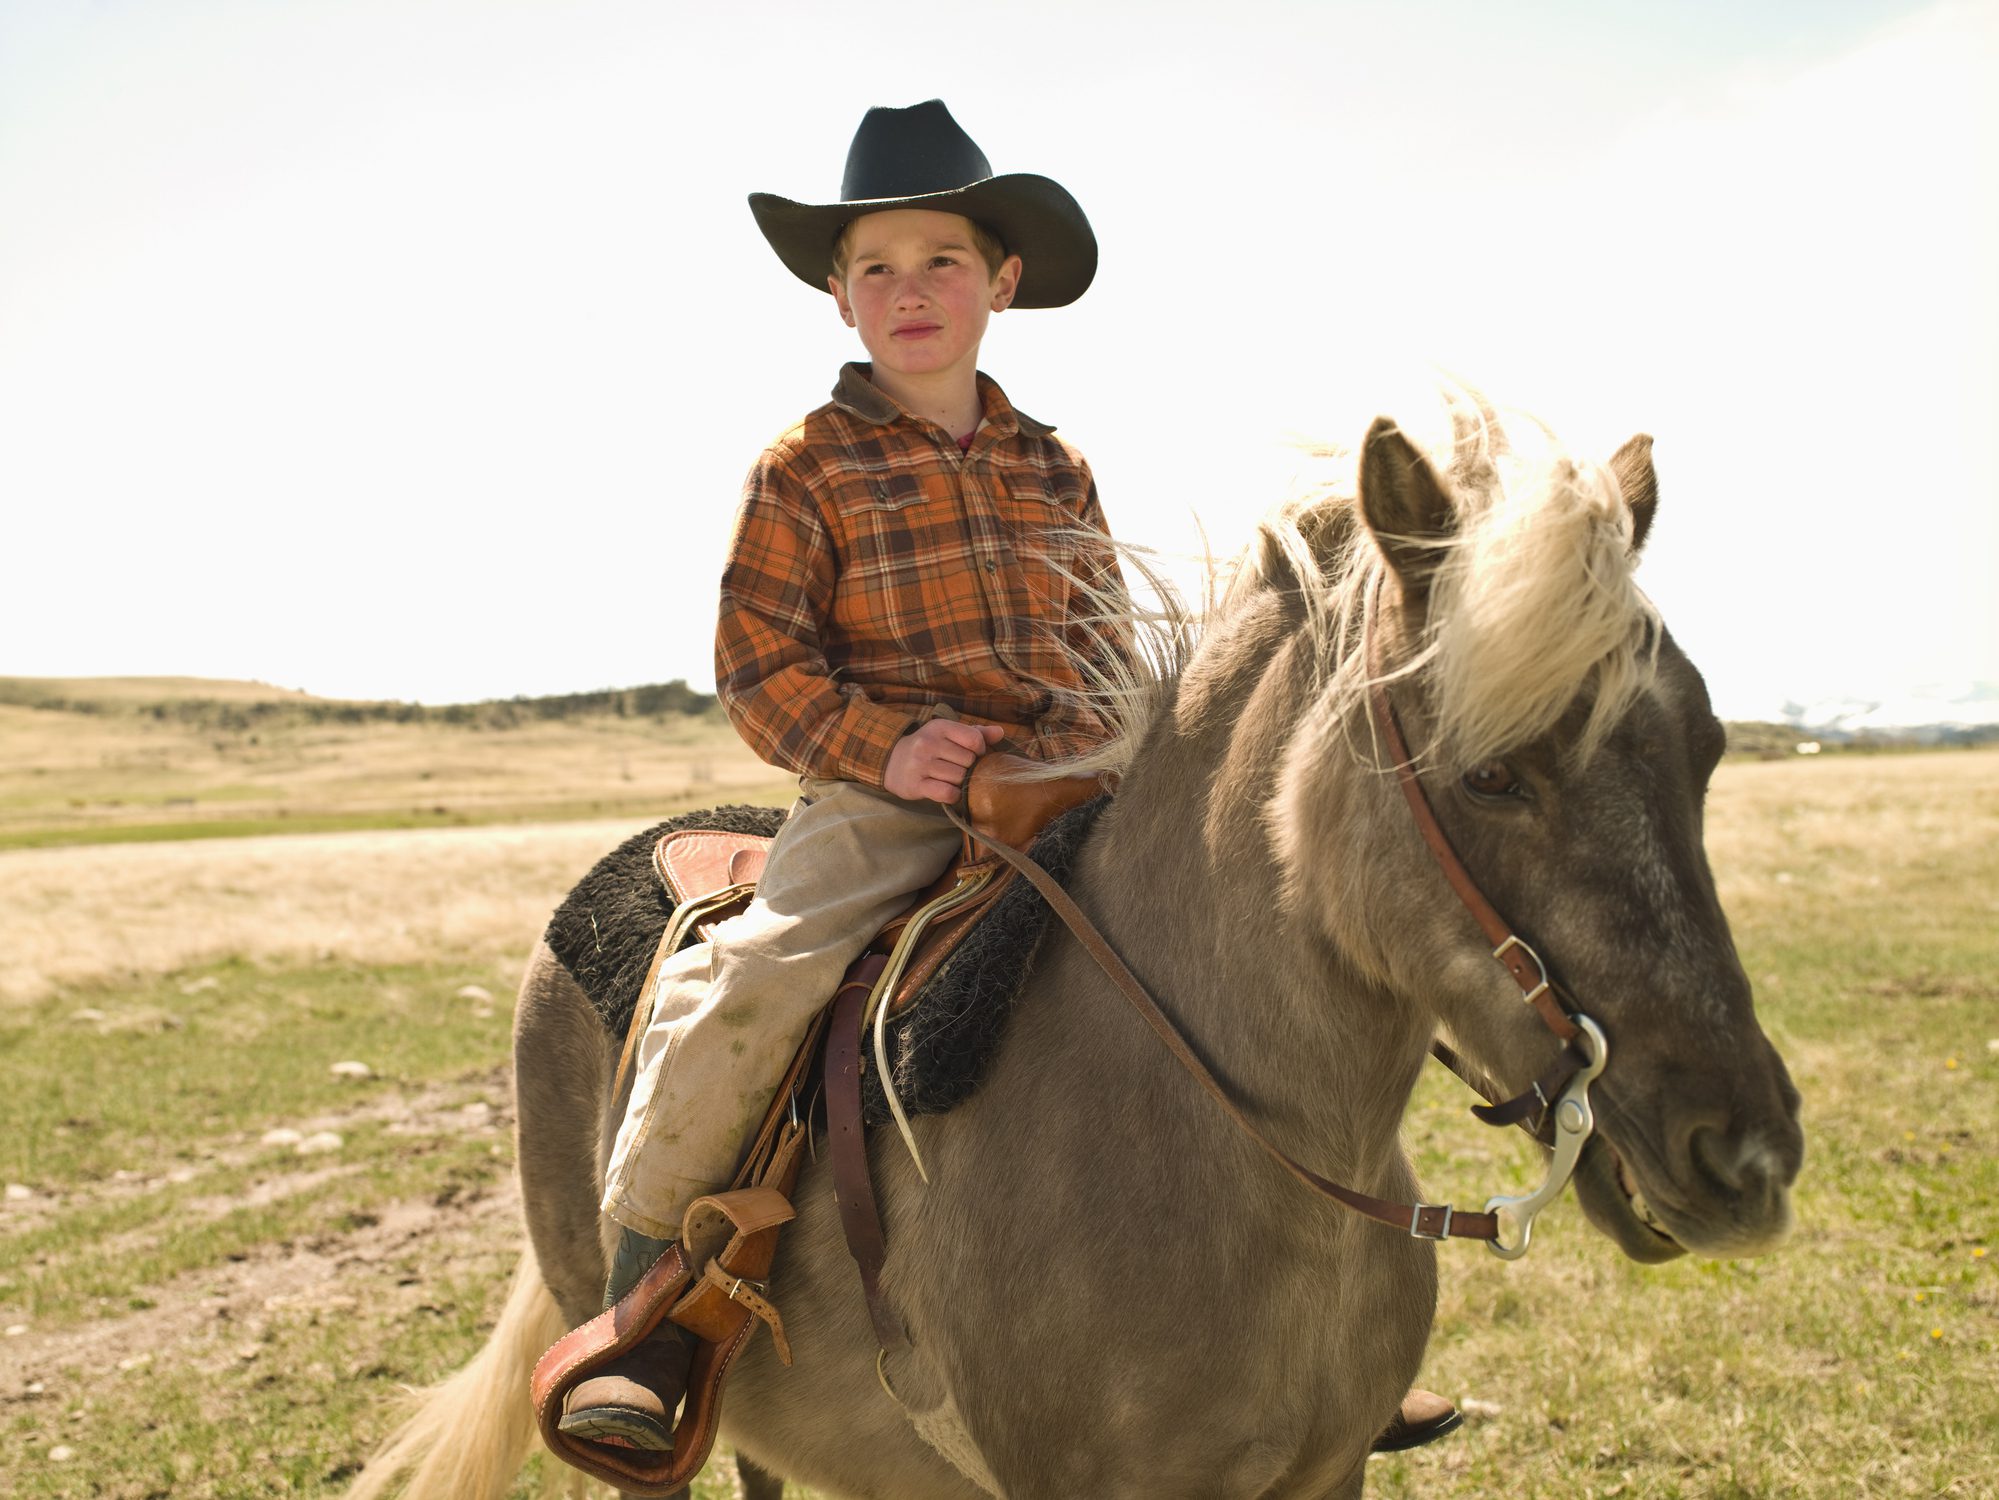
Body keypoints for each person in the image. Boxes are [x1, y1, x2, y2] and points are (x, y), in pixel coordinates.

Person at [556, 98, 1459, 1461]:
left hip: (1069, 786)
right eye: (876, 269)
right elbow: (757, 669)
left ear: (1003, 283)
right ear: (840, 298)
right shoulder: (805, 468)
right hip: (886, 808)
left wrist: (1112, 751)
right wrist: (889, 748)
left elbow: (1097, 638)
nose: (911, 293)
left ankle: (1307, 1333)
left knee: (1252, 962)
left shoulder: (1054, 462)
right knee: (748, 985)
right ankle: (655, 1320)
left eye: (942, 263)